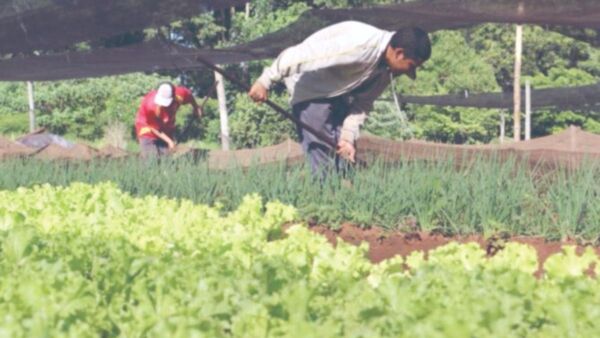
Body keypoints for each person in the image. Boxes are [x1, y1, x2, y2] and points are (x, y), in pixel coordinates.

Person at [248, 21, 431, 176]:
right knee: (321, 150)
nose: (409, 72)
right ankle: (325, 203)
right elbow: (301, 54)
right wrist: (266, 80)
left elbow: (362, 105)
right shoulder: (359, 44)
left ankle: (340, 199)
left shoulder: (387, 71)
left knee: (342, 156)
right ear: (399, 53)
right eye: (411, 66)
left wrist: (347, 138)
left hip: (339, 94)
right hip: (311, 87)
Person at [135, 82, 203, 158]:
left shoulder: (179, 95)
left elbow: (189, 95)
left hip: (166, 129)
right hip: (147, 128)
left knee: (165, 159)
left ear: (173, 97)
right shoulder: (150, 105)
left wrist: (196, 107)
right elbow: (154, 128)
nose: (163, 105)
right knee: (151, 158)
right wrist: (170, 141)